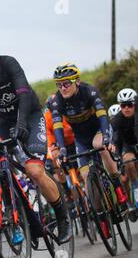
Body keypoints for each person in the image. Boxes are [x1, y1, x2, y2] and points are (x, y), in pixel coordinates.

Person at [0, 28, 72, 244]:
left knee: (34, 171)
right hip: (5, 121)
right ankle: (9, 208)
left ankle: (63, 217)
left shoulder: (8, 64)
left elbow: (24, 95)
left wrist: (21, 125)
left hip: (29, 115)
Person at [50, 63, 129, 238]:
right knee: (86, 178)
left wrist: (107, 138)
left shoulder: (89, 92)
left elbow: (102, 115)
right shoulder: (57, 101)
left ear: (76, 81)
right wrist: (62, 149)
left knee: (99, 146)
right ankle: (101, 217)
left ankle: (117, 186)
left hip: (98, 131)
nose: (62, 88)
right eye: (59, 84)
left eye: (66, 83)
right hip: (81, 139)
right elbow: (58, 128)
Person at [111, 88, 138, 217]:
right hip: (129, 146)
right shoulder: (117, 120)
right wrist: (117, 157)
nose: (126, 108)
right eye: (123, 105)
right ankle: (134, 193)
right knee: (128, 161)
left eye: (130, 105)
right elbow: (115, 141)